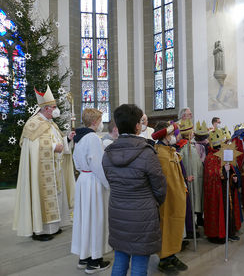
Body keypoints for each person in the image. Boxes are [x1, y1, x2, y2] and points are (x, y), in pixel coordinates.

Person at [102, 104, 167, 276]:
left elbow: (110, 179)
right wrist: (153, 203)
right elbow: (160, 186)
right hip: (142, 214)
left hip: (117, 211)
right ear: (138, 126)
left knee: (120, 259)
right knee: (139, 262)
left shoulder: (107, 152)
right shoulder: (147, 153)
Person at [13, 86, 75, 241]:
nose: (56, 110)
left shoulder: (50, 123)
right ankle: (40, 231)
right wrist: (54, 147)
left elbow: (57, 140)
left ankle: (53, 227)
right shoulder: (33, 124)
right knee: (42, 196)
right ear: (46, 108)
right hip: (40, 170)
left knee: (56, 196)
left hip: (55, 168)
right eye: (54, 107)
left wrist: (66, 139)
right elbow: (32, 147)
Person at [71, 108, 111, 273]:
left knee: (84, 219)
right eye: (100, 120)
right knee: (96, 218)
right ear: (95, 122)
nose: (101, 124)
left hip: (82, 180)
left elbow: (76, 159)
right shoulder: (93, 137)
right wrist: (108, 184)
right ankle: (95, 260)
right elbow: (98, 165)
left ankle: (84, 256)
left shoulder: (79, 137)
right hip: (93, 181)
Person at [151, 122, 188, 274]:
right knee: (165, 226)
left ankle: (172, 255)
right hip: (166, 198)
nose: (174, 136)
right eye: (172, 134)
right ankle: (164, 259)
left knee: (175, 226)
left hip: (176, 196)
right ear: (165, 135)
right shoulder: (160, 153)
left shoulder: (170, 150)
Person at [204, 128, 241, 244]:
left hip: (227, 189)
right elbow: (212, 175)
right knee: (220, 211)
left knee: (229, 211)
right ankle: (218, 234)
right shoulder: (210, 158)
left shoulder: (224, 154)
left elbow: (231, 168)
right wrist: (224, 172)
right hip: (217, 192)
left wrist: (233, 176)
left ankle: (229, 232)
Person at [179, 119, 204, 238]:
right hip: (190, 179)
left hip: (196, 178)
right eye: (192, 132)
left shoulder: (190, 145)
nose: (193, 133)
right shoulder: (183, 147)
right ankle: (191, 227)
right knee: (191, 203)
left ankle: (195, 223)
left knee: (196, 201)